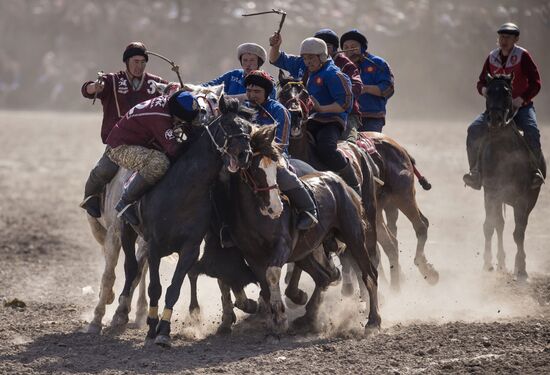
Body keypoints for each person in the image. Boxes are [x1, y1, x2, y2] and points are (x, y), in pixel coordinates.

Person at [80, 91, 200, 225]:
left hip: (138, 141)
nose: (181, 123)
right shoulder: (160, 117)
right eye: (181, 120)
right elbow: (174, 150)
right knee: (159, 163)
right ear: (175, 113)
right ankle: (125, 202)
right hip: (121, 147)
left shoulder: (169, 103)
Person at [269, 34, 359, 193]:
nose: (307, 62)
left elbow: (345, 104)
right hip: (308, 120)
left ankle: (354, 184)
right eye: (305, 58)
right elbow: (276, 59)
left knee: (326, 148)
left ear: (322, 57)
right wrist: (275, 46)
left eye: (311, 58)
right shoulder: (302, 65)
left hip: (330, 120)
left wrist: (322, 108)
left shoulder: (333, 74)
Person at [463, 22, 545, 190]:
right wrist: (484, 89)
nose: (503, 40)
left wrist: (521, 99)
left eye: (508, 37)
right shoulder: (491, 57)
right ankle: (475, 173)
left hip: (522, 107)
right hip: (496, 109)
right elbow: (481, 82)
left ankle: (535, 172)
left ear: (516, 39)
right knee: (473, 130)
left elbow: (536, 83)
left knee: (532, 130)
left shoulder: (523, 56)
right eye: (501, 37)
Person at [243, 70, 318, 230]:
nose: (252, 95)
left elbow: (281, 143)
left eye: (257, 91)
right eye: (249, 91)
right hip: (247, 157)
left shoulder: (278, 110)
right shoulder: (243, 109)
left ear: (267, 92)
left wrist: (258, 152)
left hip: (273, 156)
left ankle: (309, 210)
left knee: (283, 175)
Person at [81, 42, 168, 143]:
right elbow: (86, 90)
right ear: (127, 61)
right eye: (136, 61)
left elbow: (172, 92)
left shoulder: (156, 82)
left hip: (148, 143)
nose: (139, 66)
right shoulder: (113, 80)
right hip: (117, 143)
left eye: (143, 62)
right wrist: (94, 87)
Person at [340, 29, 394, 132]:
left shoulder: (378, 63)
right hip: (347, 116)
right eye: (345, 48)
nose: (349, 51)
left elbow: (388, 89)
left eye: (353, 47)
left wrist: (364, 88)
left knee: (369, 143)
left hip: (372, 116)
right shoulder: (339, 65)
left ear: (363, 48)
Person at [200, 43, 275, 100]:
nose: (248, 64)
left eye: (252, 60)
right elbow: (211, 85)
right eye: (245, 60)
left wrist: (225, 98)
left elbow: (270, 101)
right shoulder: (234, 74)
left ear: (259, 62)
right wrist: (193, 88)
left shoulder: (267, 80)